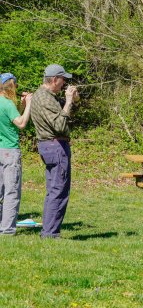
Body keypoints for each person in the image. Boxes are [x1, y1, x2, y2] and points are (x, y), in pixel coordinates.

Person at [31, 64, 79, 239]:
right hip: (55, 146)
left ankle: (49, 231)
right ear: (53, 79)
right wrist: (67, 101)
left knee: (54, 190)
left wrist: (73, 99)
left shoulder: (47, 96)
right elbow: (59, 125)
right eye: (62, 79)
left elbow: (65, 113)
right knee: (59, 190)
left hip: (50, 146)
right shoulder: (45, 99)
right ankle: (50, 233)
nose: (64, 83)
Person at [0, 73, 32, 235]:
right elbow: (20, 123)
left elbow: (8, 120)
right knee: (11, 191)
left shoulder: (3, 104)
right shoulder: (7, 104)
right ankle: (7, 230)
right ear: (12, 87)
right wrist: (29, 105)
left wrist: (20, 106)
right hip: (9, 151)